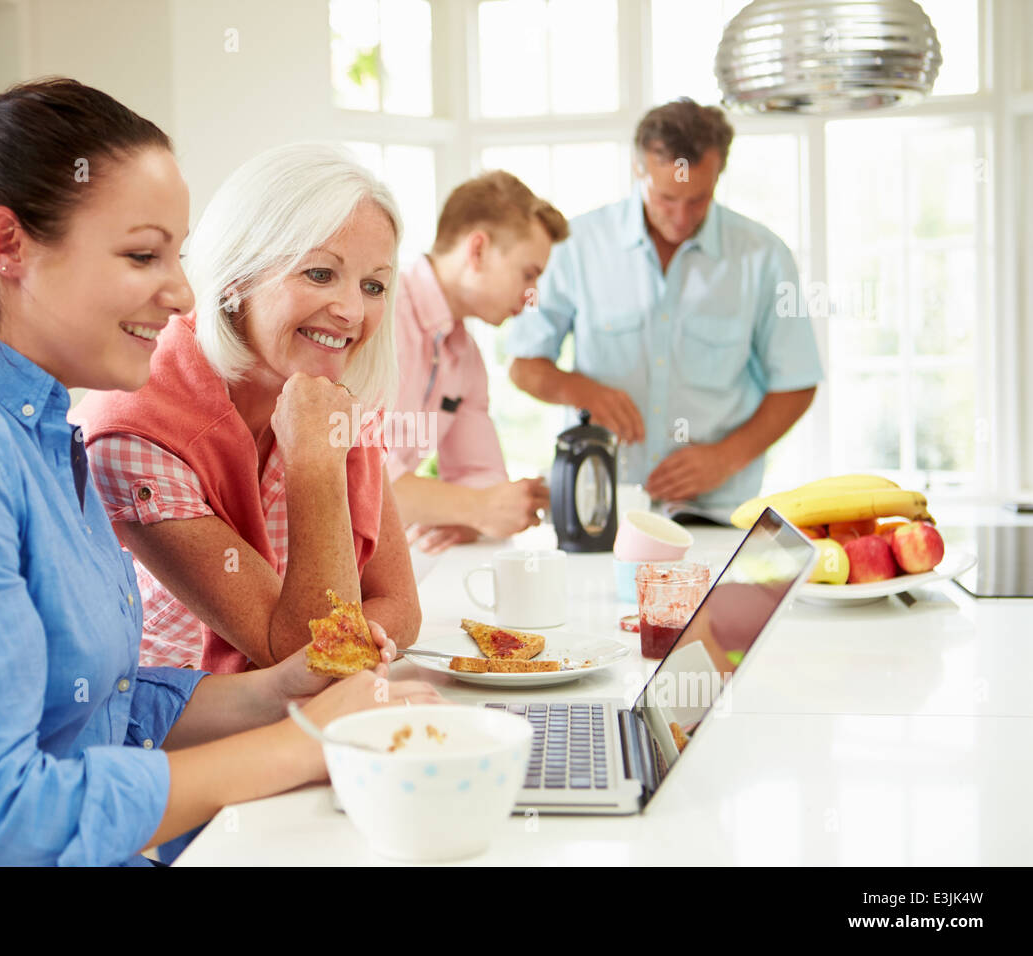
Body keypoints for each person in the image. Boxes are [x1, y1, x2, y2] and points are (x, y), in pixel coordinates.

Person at [0, 80, 440, 866]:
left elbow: (98, 707)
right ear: (8, 248)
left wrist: (278, 693)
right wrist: (304, 745)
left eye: (175, 255)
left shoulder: (35, 429)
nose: (180, 295)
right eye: (144, 255)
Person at [75, 144, 421, 672]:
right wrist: (315, 461)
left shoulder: (328, 394)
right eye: (321, 274)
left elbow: (400, 606)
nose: (352, 311)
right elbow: (303, 654)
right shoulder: (134, 430)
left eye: (373, 285)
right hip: (173, 730)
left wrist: (355, 640)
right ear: (238, 278)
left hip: (291, 715)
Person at [506, 99, 822, 514]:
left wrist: (726, 457)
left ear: (718, 174)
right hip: (602, 508)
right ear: (639, 169)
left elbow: (796, 382)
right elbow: (524, 365)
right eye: (667, 197)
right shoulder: (575, 246)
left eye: (698, 199)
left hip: (717, 513)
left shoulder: (764, 256)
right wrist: (581, 390)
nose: (680, 216)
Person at [389, 171, 565, 555]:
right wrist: (476, 508)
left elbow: (482, 478)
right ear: (478, 250)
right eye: (529, 274)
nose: (532, 294)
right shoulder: (376, 314)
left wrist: (485, 508)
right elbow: (353, 480)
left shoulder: (466, 358)